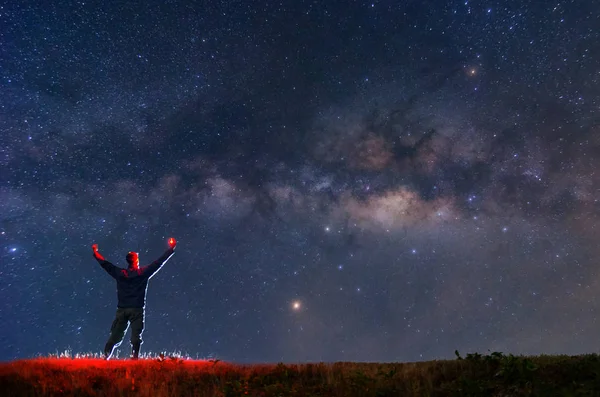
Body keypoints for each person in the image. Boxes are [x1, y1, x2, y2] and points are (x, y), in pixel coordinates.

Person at [92, 238, 177, 360]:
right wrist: (170, 250)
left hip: (122, 309)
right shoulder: (142, 273)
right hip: (136, 309)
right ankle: (134, 358)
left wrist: (95, 252)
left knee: (115, 335)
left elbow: (105, 264)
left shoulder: (120, 274)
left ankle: (105, 357)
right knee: (136, 336)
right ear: (136, 261)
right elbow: (158, 262)